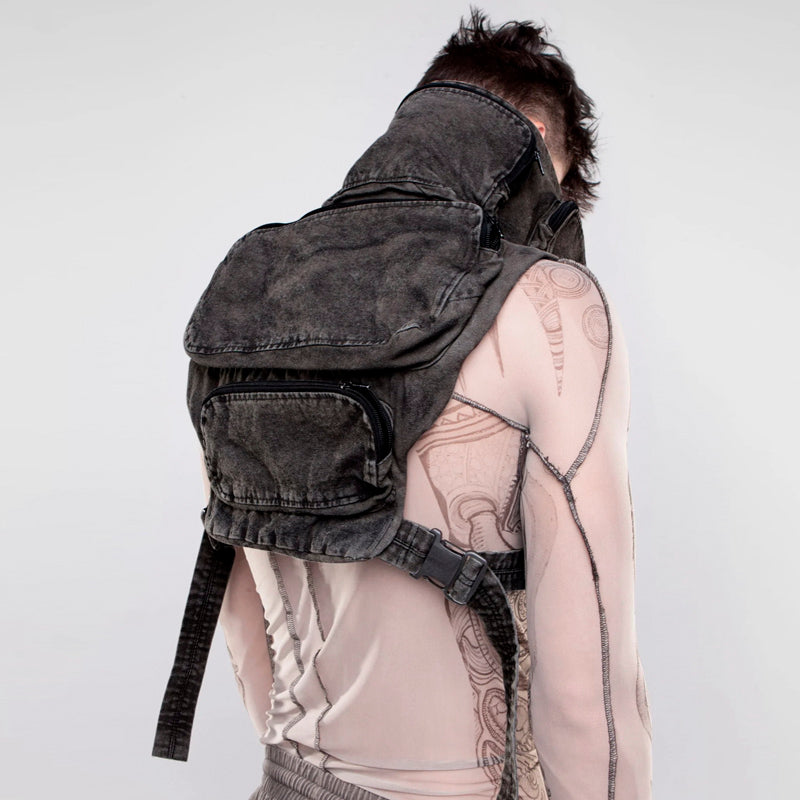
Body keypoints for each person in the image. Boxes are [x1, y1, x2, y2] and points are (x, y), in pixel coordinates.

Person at [210, 9, 653, 800]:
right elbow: (588, 696)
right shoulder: (552, 303)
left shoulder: (255, 289)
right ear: (535, 148)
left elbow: (241, 609)